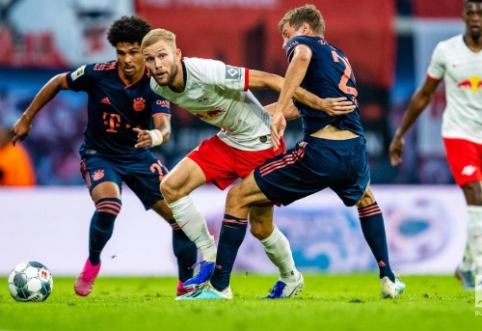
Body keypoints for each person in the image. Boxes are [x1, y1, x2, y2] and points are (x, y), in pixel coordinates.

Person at [184, 4, 406, 300]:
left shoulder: (303, 45)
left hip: (321, 153)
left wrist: (280, 105)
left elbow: (299, 58)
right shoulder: (337, 58)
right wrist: (256, 117)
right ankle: (389, 277)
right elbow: (292, 108)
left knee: (238, 197)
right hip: (354, 150)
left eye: (286, 35)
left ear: (303, 29)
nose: (284, 43)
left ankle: (220, 286)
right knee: (366, 198)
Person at [140, 27, 356, 300]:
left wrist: (317, 103)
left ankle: (291, 279)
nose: (157, 65)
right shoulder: (157, 85)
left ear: (177, 55)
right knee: (170, 187)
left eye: (162, 56)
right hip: (229, 140)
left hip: (260, 143)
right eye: (150, 59)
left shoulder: (205, 71)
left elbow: (270, 79)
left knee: (261, 227)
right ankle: (209, 258)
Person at [11, 16, 198, 297]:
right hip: (100, 154)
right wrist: (26, 118)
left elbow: (164, 127)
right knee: (109, 205)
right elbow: (57, 82)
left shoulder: (155, 84)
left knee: (182, 220)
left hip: (138, 156)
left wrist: (156, 136)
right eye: (121, 52)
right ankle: (93, 263)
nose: (127, 59)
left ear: (145, 52)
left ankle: (186, 286)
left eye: (134, 52)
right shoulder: (97, 73)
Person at [389, 0, 482, 290]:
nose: (476, 17)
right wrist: (400, 133)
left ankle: (466, 265)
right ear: (463, 17)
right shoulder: (446, 51)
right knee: (476, 195)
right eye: (471, 13)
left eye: (481, 12)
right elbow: (424, 94)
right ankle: (478, 276)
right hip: (459, 135)